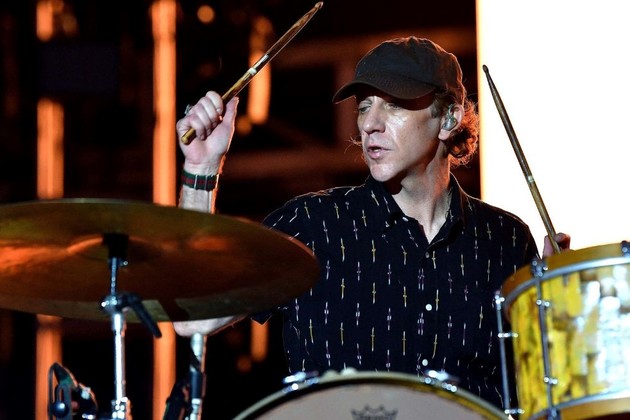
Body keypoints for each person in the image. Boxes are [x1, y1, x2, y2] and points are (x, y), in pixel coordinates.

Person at [173, 36, 570, 412]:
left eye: (393, 105)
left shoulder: (505, 239)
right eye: (364, 106)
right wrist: (201, 168)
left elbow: (548, 390)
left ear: (449, 117)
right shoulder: (313, 224)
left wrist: (562, 311)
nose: (369, 124)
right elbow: (195, 317)